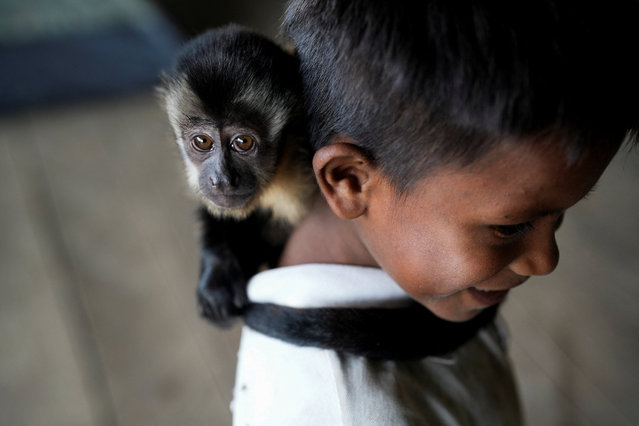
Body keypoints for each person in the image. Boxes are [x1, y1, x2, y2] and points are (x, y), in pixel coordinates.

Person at [231, 1, 639, 424]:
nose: (545, 261)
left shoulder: (432, 277)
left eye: (559, 216)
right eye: (512, 225)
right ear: (349, 181)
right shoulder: (340, 411)